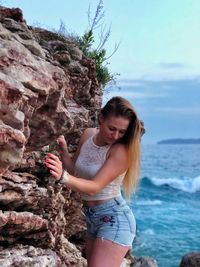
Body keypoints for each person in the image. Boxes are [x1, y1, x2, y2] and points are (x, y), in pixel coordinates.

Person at [45, 96, 143, 267]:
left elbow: (94, 187)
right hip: (92, 219)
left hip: (115, 220)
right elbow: (75, 171)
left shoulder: (121, 151)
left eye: (122, 132)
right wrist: (63, 152)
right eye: (112, 128)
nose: (115, 136)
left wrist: (63, 177)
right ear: (101, 118)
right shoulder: (88, 134)